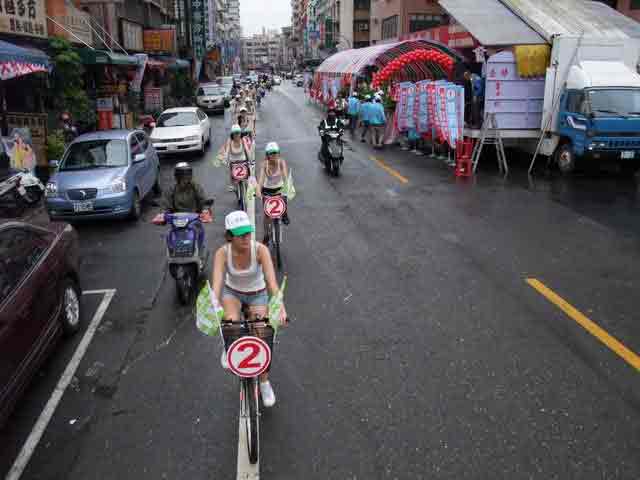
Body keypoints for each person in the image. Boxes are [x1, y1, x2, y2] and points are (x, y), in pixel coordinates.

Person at [212, 210, 287, 407]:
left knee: (263, 334)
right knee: (230, 323)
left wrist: (280, 305)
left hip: (257, 293)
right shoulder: (222, 253)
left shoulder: (260, 250)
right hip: (233, 293)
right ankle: (229, 345)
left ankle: (264, 382)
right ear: (230, 236)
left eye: (248, 232)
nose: (246, 237)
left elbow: (272, 283)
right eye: (241, 234)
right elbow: (217, 284)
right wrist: (213, 302)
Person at [257, 142, 290, 242]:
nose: (273, 155)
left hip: (279, 188)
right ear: (267, 155)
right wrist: (258, 190)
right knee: (267, 216)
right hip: (267, 190)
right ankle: (266, 235)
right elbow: (261, 180)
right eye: (271, 153)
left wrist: (287, 186)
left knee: (284, 196)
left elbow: (285, 177)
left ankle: (284, 213)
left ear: (278, 153)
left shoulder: (281, 162)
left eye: (275, 152)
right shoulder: (264, 165)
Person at [220, 124, 251, 192]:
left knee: (247, 181)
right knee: (233, 180)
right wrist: (225, 159)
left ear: (240, 133)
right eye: (235, 133)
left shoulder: (243, 140)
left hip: (243, 161)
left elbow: (247, 150)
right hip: (233, 162)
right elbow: (227, 151)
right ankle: (234, 187)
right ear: (232, 134)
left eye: (238, 133)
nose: (237, 135)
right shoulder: (230, 141)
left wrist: (250, 159)